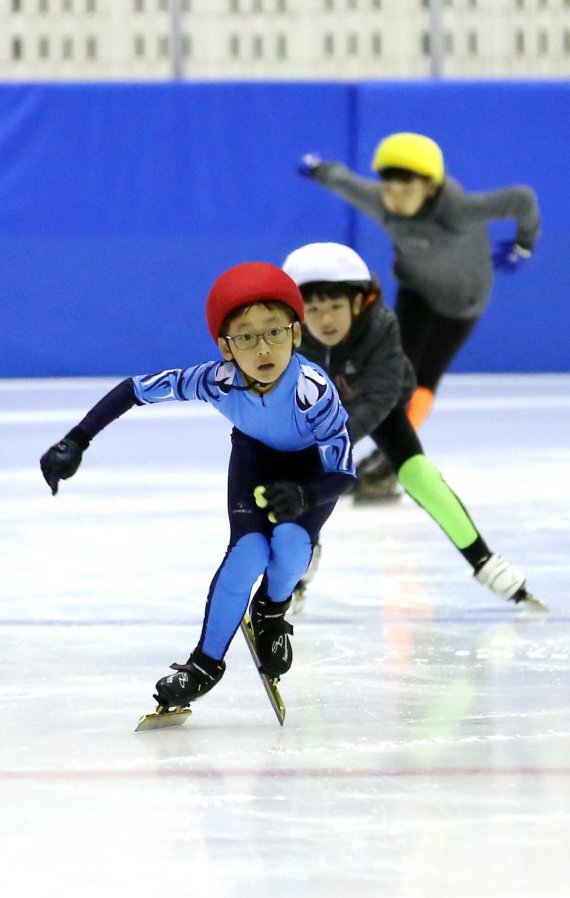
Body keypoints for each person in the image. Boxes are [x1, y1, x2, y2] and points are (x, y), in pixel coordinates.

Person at [39, 262, 356, 710]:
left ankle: (271, 610)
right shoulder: (216, 381)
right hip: (255, 460)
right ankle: (204, 665)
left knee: (290, 543)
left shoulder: (313, 390)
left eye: (275, 332)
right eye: (246, 337)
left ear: (297, 335)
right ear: (226, 347)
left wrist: (306, 495)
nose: (263, 348)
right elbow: (135, 389)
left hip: (311, 473)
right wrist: (77, 439)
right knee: (247, 552)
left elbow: (343, 470)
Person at [282, 241, 542, 609]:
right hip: (325, 407)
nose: (325, 320)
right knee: (302, 474)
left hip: (379, 403)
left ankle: (485, 561)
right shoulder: (289, 336)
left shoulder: (382, 326)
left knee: (420, 474)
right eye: (313, 308)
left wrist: (331, 441)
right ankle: (298, 568)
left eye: (336, 306)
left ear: (359, 302)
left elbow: (380, 399)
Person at [298, 133, 541, 489]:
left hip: (462, 304)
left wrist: (524, 244)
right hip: (416, 293)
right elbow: (346, 183)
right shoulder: (381, 203)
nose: (393, 197)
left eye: (405, 188)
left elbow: (523, 199)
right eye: (388, 186)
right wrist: (320, 170)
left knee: (424, 381)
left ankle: (390, 458)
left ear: (429, 187)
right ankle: (347, 451)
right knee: (387, 373)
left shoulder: (458, 211)